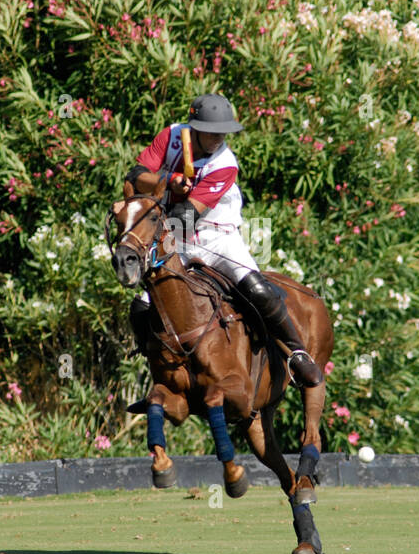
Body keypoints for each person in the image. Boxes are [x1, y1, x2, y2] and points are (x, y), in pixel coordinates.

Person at [125, 93, 324, 398]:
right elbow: (135, 175)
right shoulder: (171, 136)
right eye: (211, 131)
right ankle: (151, 357)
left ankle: (296, 354)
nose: (218, 137)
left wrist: (170, 189)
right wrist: (170, 180)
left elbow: (186, 215)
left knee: (259, 289)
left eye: (223, 132)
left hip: (217, 236)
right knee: (141, 305)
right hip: (173, 237)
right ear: (195, 127)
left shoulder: (225, 164)